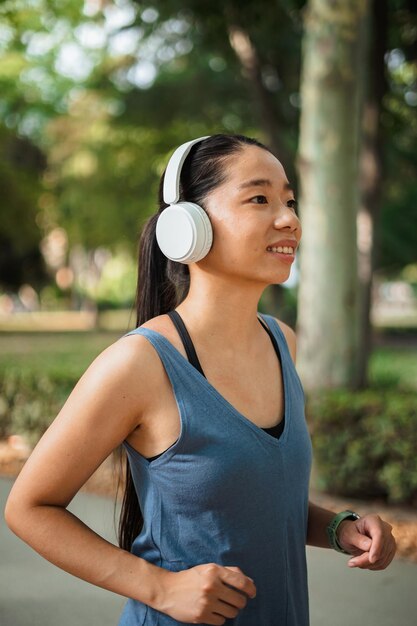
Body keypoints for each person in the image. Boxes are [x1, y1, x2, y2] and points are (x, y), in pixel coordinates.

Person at [4, 134, 396, 626]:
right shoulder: (140, 363)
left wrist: (341, 528)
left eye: (290, 201)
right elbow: (29, 507)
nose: (289, 218)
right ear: (186, 227)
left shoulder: (281, 342)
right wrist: (160, 587)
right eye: (260, 198)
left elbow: (259, 501)